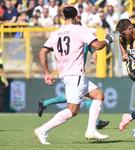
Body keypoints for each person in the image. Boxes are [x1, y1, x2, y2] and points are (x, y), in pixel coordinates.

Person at [34, 6, 114, 144]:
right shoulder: (79, 30)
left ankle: (91, 130)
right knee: (72, 111)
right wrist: (108, 40)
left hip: (67, 74)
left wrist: (47, 73)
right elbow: (96, 46)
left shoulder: (56, 33)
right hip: (75, 74)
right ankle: (43, 130)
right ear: (77, 17)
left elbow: (42, 53)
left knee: (98, 95)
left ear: (63, 17)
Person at [0, 47, 9, 112]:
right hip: (0, 79)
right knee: (1, 94)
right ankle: (1, 108)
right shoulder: (0, 60)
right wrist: (5, 81)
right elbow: (1, 71)